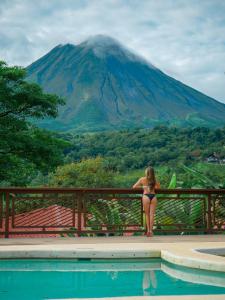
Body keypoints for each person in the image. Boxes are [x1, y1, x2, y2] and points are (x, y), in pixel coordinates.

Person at [132, 166, 160, 237]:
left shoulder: (142, 179)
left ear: (146, 172)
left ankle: (148, 231)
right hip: (153, 197)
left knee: (147, 214)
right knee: (152, 215)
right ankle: (151, 231)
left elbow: (134, 187)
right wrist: (153, 187)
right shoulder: (155, 180)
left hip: (146, 196)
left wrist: (143, 187)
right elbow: (158, 188)